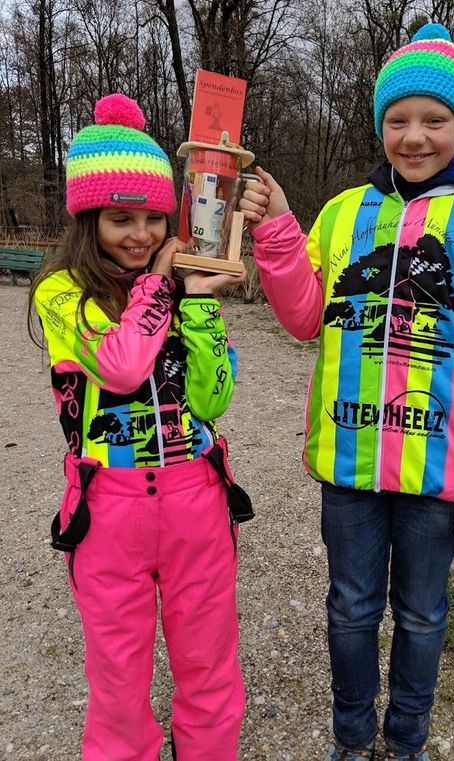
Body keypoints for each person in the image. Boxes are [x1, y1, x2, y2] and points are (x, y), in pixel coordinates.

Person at [240, 22, 454, 761]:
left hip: (438, 476)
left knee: (422, 615)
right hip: (347, 466)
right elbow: (307, 317)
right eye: (398, 119)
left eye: (434, 120)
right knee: (349, 610)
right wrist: (279, 231)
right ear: (380, 125)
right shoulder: (344, 213)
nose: (414, 136)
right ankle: (351, 739)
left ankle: (405, 742)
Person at [29, 93, 250, 761]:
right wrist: (159, 289)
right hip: (110, 511)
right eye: (121, 218)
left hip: (197, 501)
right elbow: (123, 369)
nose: (142, 234)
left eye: (155, 217)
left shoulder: (182, 287)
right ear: (87, 218)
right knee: (120, 683)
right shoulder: (62, 292)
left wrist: (202, 308)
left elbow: (213, 400)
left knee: (209, 667)